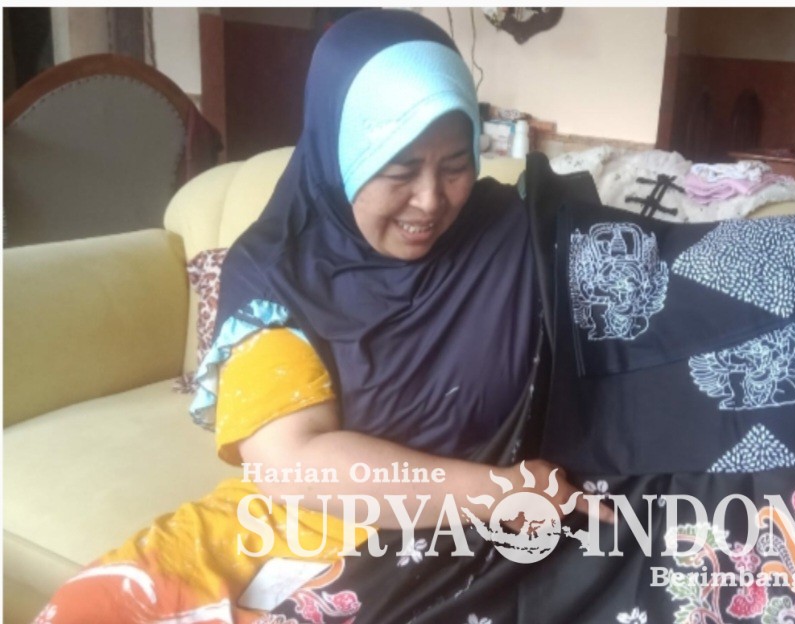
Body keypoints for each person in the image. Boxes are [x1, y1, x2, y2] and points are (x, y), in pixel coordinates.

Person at [39, 9, 608, 623]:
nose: (430, 200)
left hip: (483, 542)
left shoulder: (518, 237)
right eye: (399, 170)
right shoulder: (274, 272)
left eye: (454, 166)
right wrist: (500, 491)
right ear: (343, 154)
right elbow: (291, 462)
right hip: (304, 521)